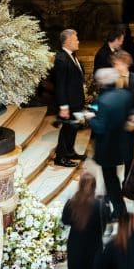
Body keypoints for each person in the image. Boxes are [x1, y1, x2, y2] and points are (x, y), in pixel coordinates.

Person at [89, 67, 134, 219]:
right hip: (122, 143)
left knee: (111, 179)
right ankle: (111, 201)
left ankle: (119, 210)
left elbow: (100, 127)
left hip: (107, 147)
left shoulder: (103, 100)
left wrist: (90, 119)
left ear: (102, 83)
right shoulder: (125, 95)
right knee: (113, 178)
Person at [53, 28, 86, 167]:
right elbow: (60, 85)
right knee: (67, 129)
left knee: (74, 127)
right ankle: (60, 157)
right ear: (68, 41)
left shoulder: (72, 55)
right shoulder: (61, 58)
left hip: (76, 100)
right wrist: (63, 106)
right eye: (76, 39)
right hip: (69, 102)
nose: (78, 41)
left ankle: (70, 151)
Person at [113, 49, 134, 175]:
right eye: (114, 64)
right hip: (115, 125)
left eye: (117, 63)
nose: (115, 66)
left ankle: (127, 184)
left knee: (129, 158)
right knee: (114, 158)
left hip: (130, 126)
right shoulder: (111, 80)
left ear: (126, 63)